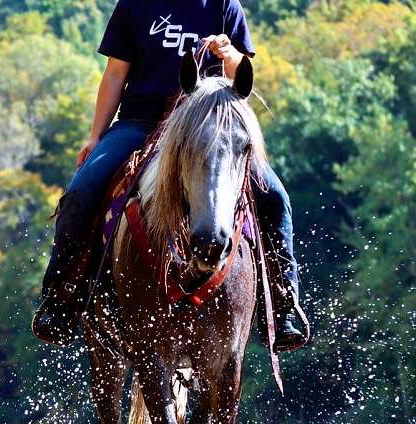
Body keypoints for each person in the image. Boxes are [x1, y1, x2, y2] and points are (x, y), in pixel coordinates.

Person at [32, 0, 306, 351]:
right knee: (80, 193)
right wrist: (95, 136)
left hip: (209, 128)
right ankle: (62, 297)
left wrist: (229, 54)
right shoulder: (135, 4)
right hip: (140, 123)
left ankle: (283, 304)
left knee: (276, 198)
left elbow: (242, 80)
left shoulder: (225, 5)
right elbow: (116, 73)